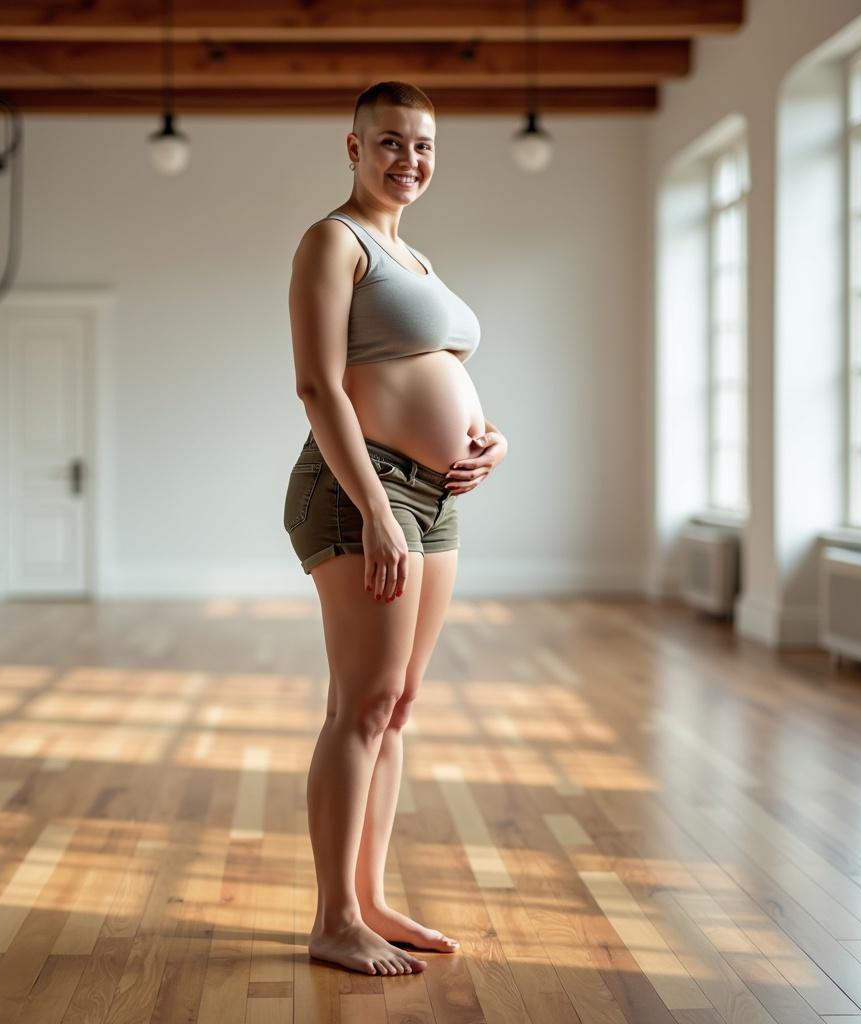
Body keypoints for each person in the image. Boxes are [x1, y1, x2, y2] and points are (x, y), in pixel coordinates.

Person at [283, 80, 509, 977]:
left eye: (422, 146)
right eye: (389, 143)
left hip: (436, 496)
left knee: (399, 707)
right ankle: (333, 916)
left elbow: (439, 375)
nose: (408, 160)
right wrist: (375, 508)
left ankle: (371, 899)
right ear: (353, 147)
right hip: (361, 491)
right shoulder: (333, 242)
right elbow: (318, 384)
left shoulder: (417, 263)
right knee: (362, 704)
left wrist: (493, 440)